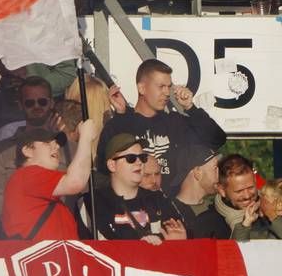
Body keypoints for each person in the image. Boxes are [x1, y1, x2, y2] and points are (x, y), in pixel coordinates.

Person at [0, 80, 103, 240]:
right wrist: (85, 139)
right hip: (42, 261)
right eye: (47, 143)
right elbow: (75, 182)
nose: (55, 146)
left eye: (56, 142)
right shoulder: (27, 176)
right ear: (27, 150)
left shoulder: (39, 186)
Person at [100, 57, 230, 175]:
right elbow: (105, 168)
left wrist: (191, 108)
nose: (167, 93)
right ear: (142, 88)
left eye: (169, 87)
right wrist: (121, 116)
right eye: (161, 86)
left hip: (168, 200)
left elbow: (217, 139)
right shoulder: (121, 122)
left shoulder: (174, 122)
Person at [90, 132, 190, 241]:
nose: (139, 162)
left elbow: (184, 233)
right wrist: (145, 245)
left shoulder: (158, 199)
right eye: (131, 158)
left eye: (142, 157)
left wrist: (177, 241)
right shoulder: (93, 202)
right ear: (112, 165)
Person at [168, 142, 230, 238]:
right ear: (197, 172)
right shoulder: (169, 213)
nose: (220, 175)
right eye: (215, 169)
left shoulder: (220, 206)